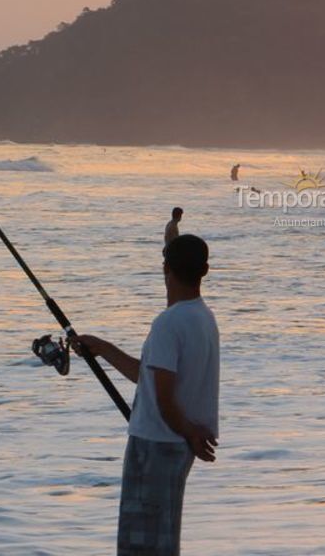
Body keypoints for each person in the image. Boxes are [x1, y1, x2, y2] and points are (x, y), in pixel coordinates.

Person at [71, 235, 219, 556]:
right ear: (204, 271)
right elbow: (151, 378)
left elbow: (164, 400)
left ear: (165, 268)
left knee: (139, 546)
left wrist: (190, 432)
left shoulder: (169, 323)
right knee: (162, 540)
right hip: (177, 444)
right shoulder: (203, 317)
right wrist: (102, 349)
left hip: (155, 445)